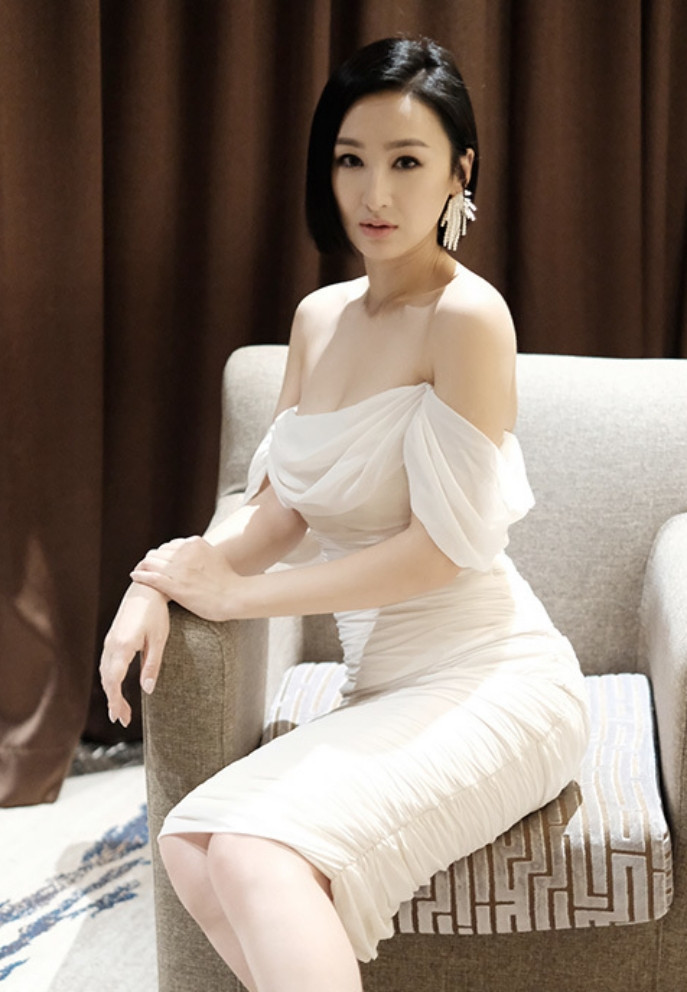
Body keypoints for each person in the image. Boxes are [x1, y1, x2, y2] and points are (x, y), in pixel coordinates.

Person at [101, 37, 590, 992]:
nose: (374, 193)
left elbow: (438, 555)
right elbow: (276, 512)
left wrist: (239, 600)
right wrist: (162, 578)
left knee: (252, 855)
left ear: (459, 173)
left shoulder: (467, 317)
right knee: (192, 843)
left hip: (495, 682)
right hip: (384, 689)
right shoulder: (317, 318)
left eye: (406, 162)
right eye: (350, 159)